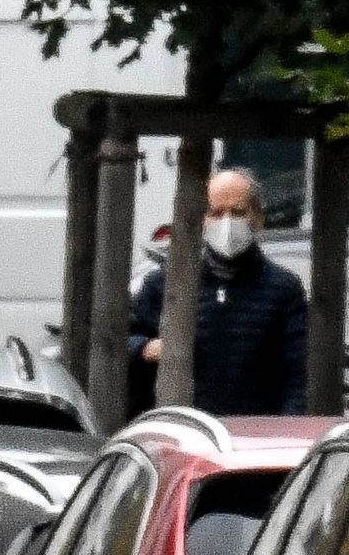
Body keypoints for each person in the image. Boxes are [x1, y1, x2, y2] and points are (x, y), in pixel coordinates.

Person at [128, 169, 312, 416]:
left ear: (258, 217)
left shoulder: (283, 288)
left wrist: (285, 433)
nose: (227, 222)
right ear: (202, 218)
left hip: (255, 433)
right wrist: (146, 348)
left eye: (238, 212)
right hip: (184, 430)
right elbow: (122, 342)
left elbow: (297, 376)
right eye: (215, 213)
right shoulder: (163, 283)